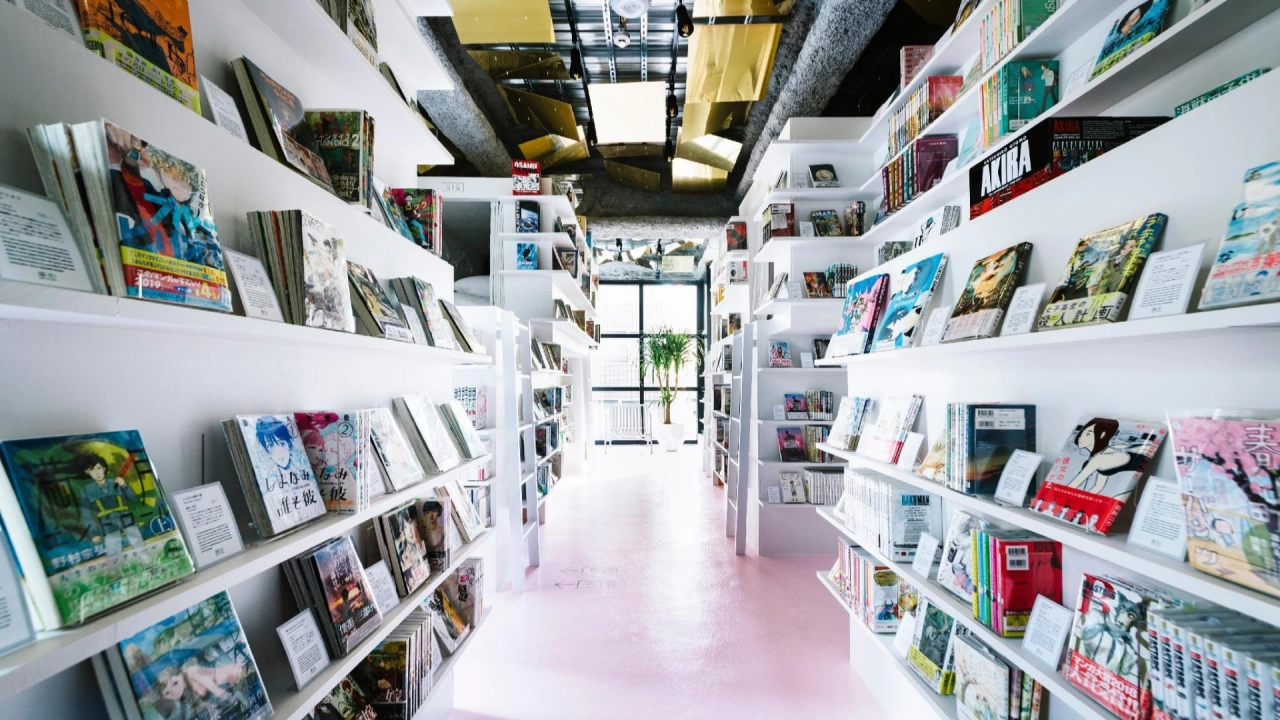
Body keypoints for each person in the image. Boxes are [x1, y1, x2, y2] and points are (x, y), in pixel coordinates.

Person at [77, 453, 144, 554]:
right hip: (107, 522)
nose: (96, 472)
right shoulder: (86, 490)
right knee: (113, 550)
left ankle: (150, 563)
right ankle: (116, 569)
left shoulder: (117, 482)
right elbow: (86, 514)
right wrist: (94, 533)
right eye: (92, 470)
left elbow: (134, 500)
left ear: (104, 469)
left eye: (98, 468)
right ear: (87, 472)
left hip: (125, 517)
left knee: (138, 543)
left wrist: (125, 485)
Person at [150, 660, 253, 720]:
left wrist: (226, 697)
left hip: (236, 675)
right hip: (228, 690)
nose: (174, 691)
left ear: (180, 675)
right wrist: (213, 709)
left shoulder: (191, 672)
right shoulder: (184, 695)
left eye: (175, 683)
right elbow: (201, 704)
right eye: (167, 693)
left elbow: (212, 687)